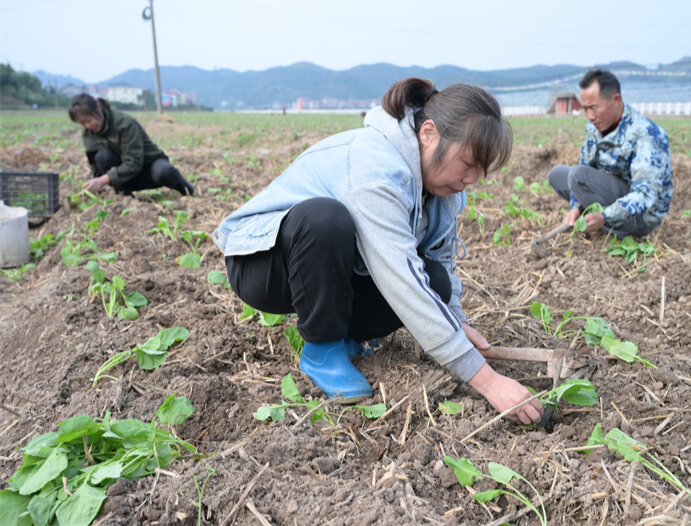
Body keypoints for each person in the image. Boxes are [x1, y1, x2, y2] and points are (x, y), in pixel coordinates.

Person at [214, 78, 543, 425]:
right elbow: (401, 280)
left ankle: (348, 340)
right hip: (263, 261)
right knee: (325, 219)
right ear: (429, 133)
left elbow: (439, 261)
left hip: (334, 268)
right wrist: (489, 382)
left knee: (436, 282)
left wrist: (457, 322)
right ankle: (323, 350)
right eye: (468, 163)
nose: (472, 179)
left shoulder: (443, 191)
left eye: (481, 170)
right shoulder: (376, 170)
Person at [548, 69, 673, 237]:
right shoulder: (594, 128)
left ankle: (615, 228)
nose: (589, 116)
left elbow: (645, 195)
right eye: (585, 109)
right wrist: (575, 208)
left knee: (577, 176)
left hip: (639, 218)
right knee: (557, 175)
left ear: (616, 100)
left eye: (593, 108)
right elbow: (584, 165)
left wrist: (605, 216)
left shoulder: (646, 134)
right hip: (608, 192)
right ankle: (592, 219)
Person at [68, 94, 194, 196]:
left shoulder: (124, 123)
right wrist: (92, 186)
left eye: (89, 120)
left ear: (98, 107)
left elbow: (134, 162)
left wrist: (102, 180)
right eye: (83, 123)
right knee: (102, 156)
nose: (88, 126)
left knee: (164, 171)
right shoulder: (88, 133)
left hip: (148, 169)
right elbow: (95, 164)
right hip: (123, 178)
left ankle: (186, 191)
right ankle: (125, 197)